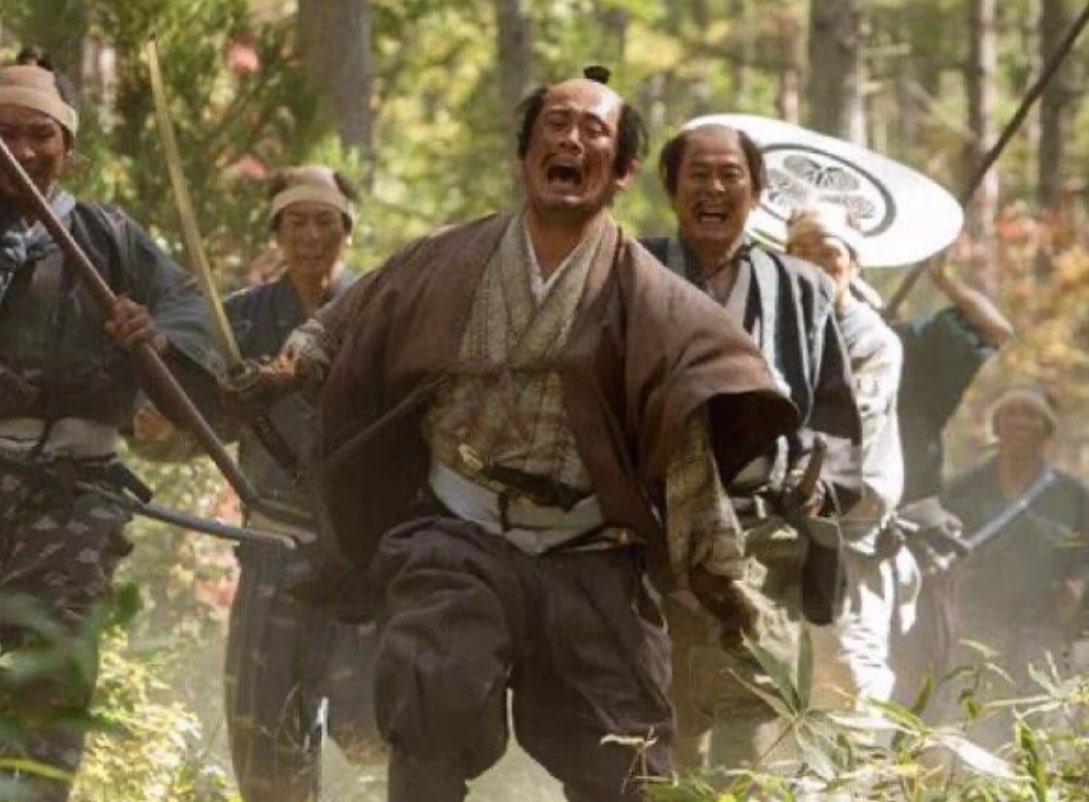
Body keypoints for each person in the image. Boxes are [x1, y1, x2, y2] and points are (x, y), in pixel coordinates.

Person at [223, 69, 799, 802]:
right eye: (555, 124)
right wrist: (288, 370)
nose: (571, 139)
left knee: (627, 759)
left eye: (593, 131)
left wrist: (721, 580)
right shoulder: (446, 258)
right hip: (459, 531)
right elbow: (345, 320)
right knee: (429, 698)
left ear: (622, 171)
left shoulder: (651, 299)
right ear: (526, 155)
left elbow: (685, 445)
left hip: (588, 548)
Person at [0, 49, 221, 801]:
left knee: (55, 669)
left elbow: (191, 314)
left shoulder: (110, 238)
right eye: (6, 135)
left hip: (73, 490)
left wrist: (151, 333)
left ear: (68, 149)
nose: (23, 152)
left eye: (40, 136)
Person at [134, 166, 380, 801]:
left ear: (348, 231)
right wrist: (163, 430)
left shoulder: (378, 312)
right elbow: (203, 419)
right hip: (274, 546)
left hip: (363, 556)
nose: (310, 237)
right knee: (265, 738)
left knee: (377, 737)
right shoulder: (240, 318)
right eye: (296, 222)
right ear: (277, 231)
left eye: (325, 222)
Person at [642, 122, 861, 769]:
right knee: (662, 709)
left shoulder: (801, 285)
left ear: (757, 192)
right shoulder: (633, 271)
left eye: (730, 175)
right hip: (653, 528)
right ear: (671, 188)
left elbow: (833, 405)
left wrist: (819, 485)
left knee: (753, 705)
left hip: (764, 529)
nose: (714, 188)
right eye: (698, 174)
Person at [784, 206, 917, 710]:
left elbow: (849, 427)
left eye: (828, 252)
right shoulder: (776, 328)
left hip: (848, 537)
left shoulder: (875, 342)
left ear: (854, 263)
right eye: (799, 251)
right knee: (766, 682)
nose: (813, 263)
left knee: (847, 682)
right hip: (776, 531)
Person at [943, 385, 1089, 691]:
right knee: (973, 700)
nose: (1020, 421)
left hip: (1044, 623)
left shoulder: (1072, 496)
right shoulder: (963, 490)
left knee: (1039, 705)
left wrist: (1077, 587)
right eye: (1010, 413)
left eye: (1031, 415)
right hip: (978, 620)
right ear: (996, 426)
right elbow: (942, 550)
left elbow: (1083, 554)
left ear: (1046, 430)